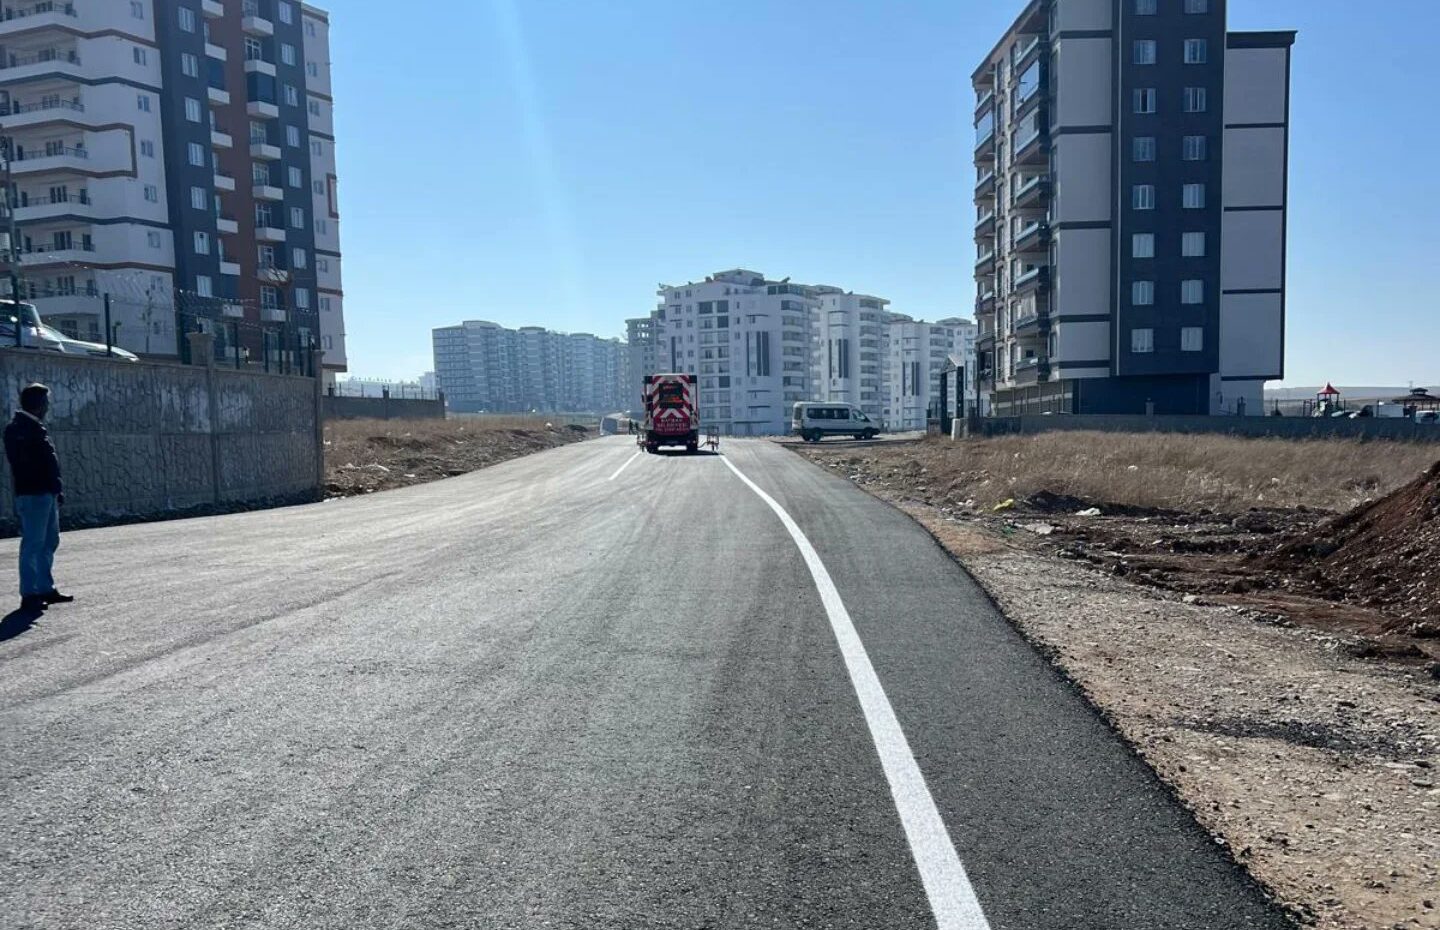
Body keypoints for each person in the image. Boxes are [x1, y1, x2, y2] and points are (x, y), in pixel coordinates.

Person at [4, 383, 72, 613]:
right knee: (33, 544)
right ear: (38, 404)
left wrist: (56, 489)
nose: (48, 406)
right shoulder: (18, 429)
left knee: (49, 541)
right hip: (33, 494)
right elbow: (24, 463)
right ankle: (30, 593)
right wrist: (46, 484)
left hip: (47, 493)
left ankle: (45, 588)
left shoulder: (34, 427)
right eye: (46, 402)